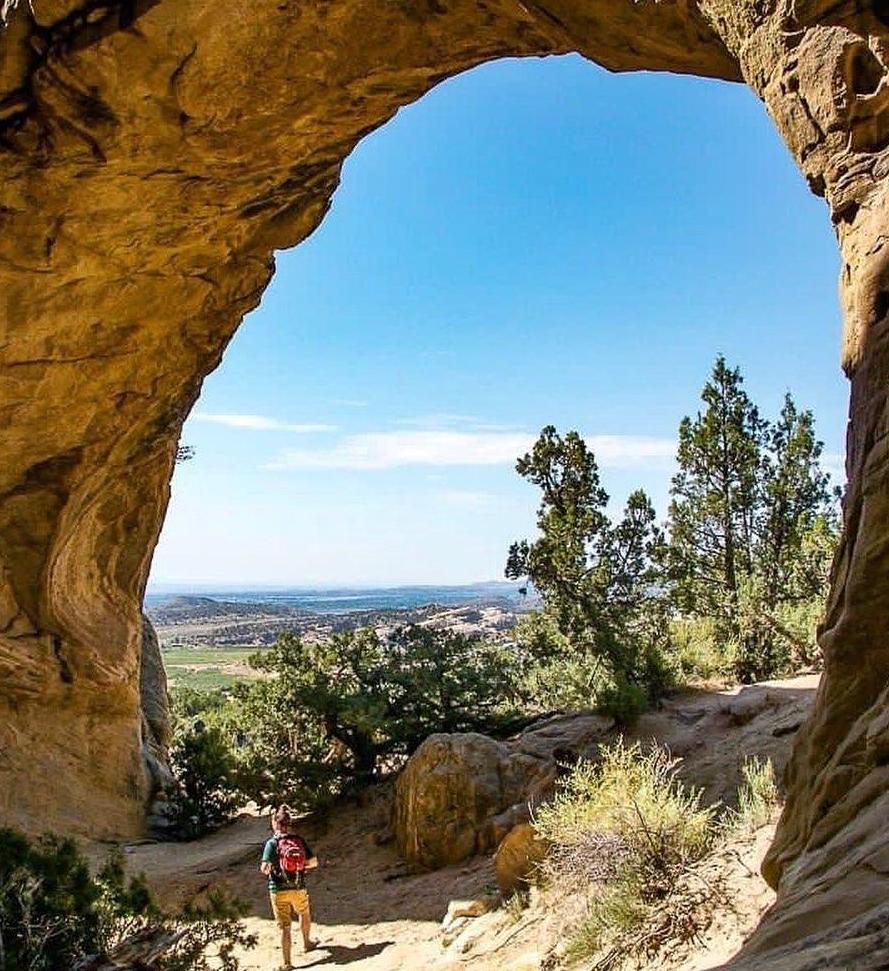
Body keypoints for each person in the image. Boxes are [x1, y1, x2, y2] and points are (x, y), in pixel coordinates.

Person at [260, 805, 319, 968]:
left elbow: (264, 868)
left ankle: (287, 963)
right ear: (289, 823)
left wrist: (272, 867)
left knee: (285, 927)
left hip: (278, 890)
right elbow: (314, 862)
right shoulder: (298, 841)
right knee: (304, 913)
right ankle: (307, 943)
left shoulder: (272, 843)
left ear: (275, 823)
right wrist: (300, 866)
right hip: (299, 886)